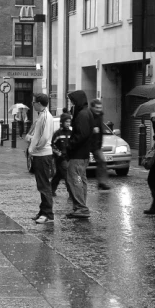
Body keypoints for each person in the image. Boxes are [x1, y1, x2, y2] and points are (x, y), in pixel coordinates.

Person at [66, 90, 95, 219]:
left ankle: (81, 207)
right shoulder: (86, 112)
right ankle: (80, 206)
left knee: (75, 179)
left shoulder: (83, 114)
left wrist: (69, 145)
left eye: (72, 100)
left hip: (78, 154)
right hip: (82, 154)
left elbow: (81, 135)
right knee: (81, 179)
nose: (71, 103)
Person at [28, 94, 56, 224]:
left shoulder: (44, 116)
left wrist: (34, 148)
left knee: (44, 184)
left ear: (39, 103)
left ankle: (48, 214)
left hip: (42, 154)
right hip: (41, 154)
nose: (32, 104)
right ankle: (43, 211)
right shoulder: (42, 115)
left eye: (34, 102)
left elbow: (44, 138)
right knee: (42, 184)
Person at [90, 98, 111, 190]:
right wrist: (92, 130)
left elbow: (101, 130)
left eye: (100, 107)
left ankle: (102, 182)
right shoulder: (88, 115)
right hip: (86, 143)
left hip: (96, 144)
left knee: (102, 161)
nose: (99, 109)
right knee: (82, 165)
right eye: (97, 107)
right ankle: (77, 184)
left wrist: (99, 143)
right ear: (92, 108)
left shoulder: (100, 116)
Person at [51, 112, 73, 197]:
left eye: (69, 122)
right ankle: (71, 193)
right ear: (62, 122)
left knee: (59, 175)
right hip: (60, 158)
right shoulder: (58, 133)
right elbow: (52, 145)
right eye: (66, 122)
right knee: (67, 175)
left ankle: (51, 189)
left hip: (68, 158)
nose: (68, 123)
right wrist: (59, 154)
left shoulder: (71, 133)